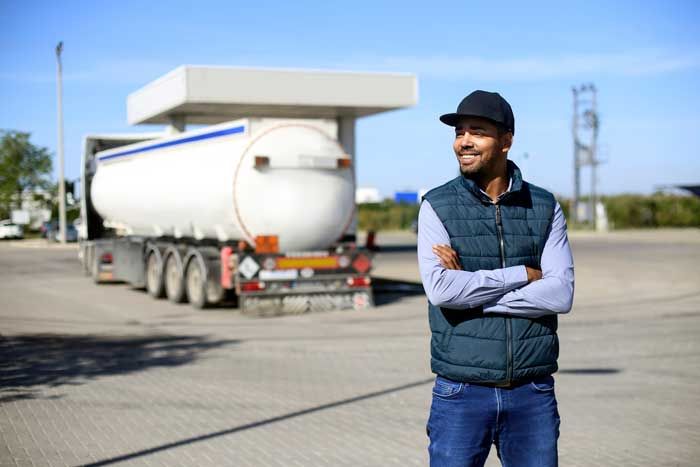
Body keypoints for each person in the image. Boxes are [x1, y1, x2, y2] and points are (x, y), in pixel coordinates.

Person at [417, 90, 575, 467]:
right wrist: (521, 274)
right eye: (459, 132)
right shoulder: (437, 206)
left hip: (532, 392)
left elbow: (560, 294)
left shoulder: (543, 205)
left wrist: (471, 295)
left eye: (477, 132)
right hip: (460, 391)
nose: (464, 142)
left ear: (506, 141)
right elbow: (441, 290)